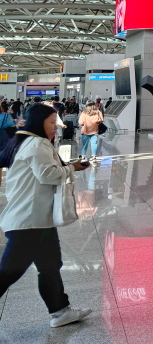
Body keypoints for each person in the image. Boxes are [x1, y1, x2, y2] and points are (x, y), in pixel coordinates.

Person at [0, 104, 91, 327]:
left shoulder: (23, 141)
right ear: (37, 123)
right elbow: (47, 175)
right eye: (51, 123)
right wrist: (73, 168)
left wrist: (68, 166)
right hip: (29, 222)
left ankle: (60, 311)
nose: (55, 128)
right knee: (9, 272)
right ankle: (60, 310)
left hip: (37, 219)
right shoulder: (37, 143)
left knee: (50, 265)